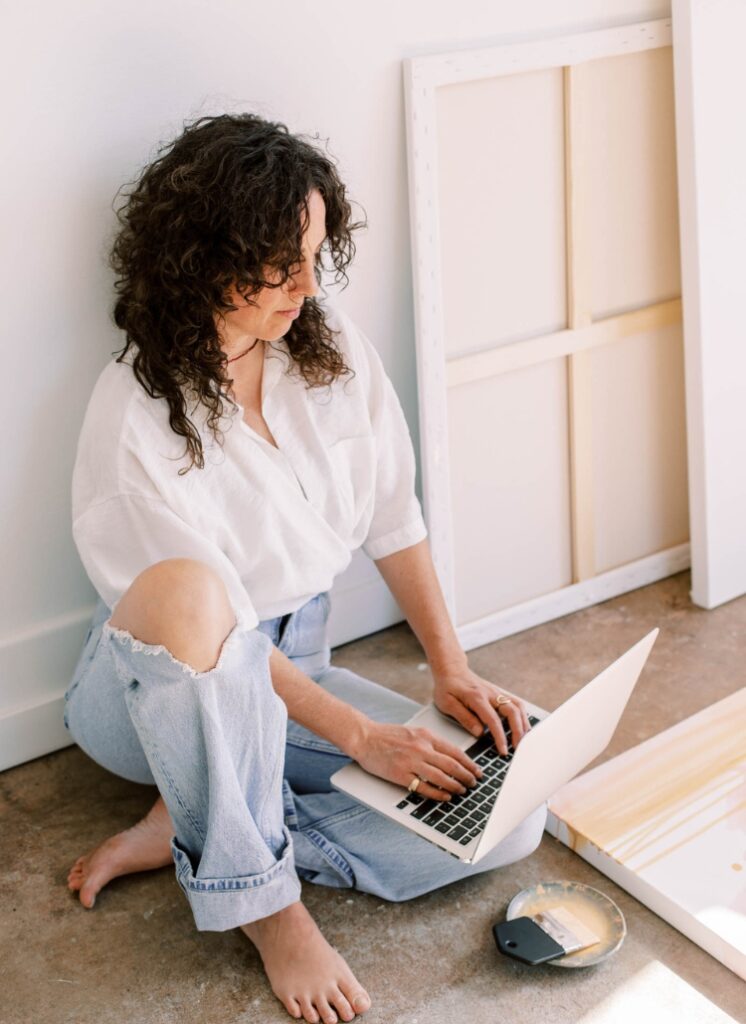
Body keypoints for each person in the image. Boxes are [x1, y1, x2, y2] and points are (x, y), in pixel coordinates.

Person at [63, 113, 546, 1024]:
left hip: (299, 668)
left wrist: (451, 670)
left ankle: (200, 830)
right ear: (204, 257)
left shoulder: (324, 351)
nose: (307, 287)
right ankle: (268, 908)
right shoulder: (131, 417)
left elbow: (394, 516)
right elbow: (227, 639)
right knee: (194, 591)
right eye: (281, 266)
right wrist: (361, 739)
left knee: (510, 818)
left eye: (316, 257)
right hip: (150, 691)